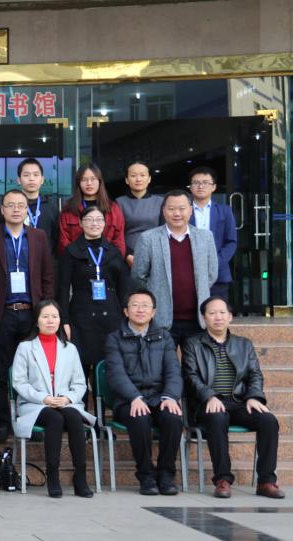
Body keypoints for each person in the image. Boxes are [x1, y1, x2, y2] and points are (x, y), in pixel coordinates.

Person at [181, 297, 284, 499]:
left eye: (222, 313)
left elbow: (255, 374)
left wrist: (253, 397)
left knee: (269, 421)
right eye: (212, 313)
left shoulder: (244, 344)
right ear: (203, 318)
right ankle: (223, 479)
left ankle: (266, 481)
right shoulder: (192, 344)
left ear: (230, 317)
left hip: (238, 402)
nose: (218, 317)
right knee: (217, 418)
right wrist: (209, 396)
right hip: (207, 404)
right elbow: (190, 376)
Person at [0, 189, 55, 442]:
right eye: (10, 205)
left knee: (33, 371)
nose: (16, 209)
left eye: (21, 205)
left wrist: (46, 311)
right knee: (0, 372)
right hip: (1, 314)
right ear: (2, 210)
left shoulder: (39, 236)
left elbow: (47, 276)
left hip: (32, 314)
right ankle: (2, 421)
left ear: (26, 210)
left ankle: (31, 420)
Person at [10, 300, 96, 498]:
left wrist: (67, 398)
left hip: (65, 402)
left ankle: (80, 477)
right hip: (34, 404)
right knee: (55, 419)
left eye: (55, 316)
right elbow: (19, 382)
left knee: (73, 417)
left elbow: (80, 383)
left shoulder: (70, 349)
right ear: (37, 321)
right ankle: (53, 476)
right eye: (45, 316)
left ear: (60, 320)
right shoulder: (25, 347)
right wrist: (45, 398)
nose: (50, 321)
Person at [104, 289, 184, 496]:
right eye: (135, 305)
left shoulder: (165, 337)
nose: (140, 310)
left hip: (159, 397)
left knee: (173, 418)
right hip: (128, 400)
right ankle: (146, 475)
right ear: (126, 311)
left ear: (154, 312)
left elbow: (173, 371)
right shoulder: (114, 338)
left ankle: (166, 475)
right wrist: (134, 397)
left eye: (145, 305)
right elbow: (116, 374)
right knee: (139, 418)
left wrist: (170, 396)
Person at [132, 189, 218, 346]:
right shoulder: (148, 238)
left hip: (197, 319)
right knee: (161, 362)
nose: (177, 213)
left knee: (196, 362)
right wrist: (156, 292)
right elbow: (138, 276)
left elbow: (211, 274)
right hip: (161, 319)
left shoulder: (205, 237)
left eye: (182, 208)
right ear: (164, 211)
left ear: (191, 210)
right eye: (171, 209)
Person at [56, 205, 129, 381]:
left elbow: (123, 287)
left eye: (98, 220)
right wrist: (64, 320)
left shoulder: (113, 251)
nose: (94, 224)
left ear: (105, 223)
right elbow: (63, 288)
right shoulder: (71, 251)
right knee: (80, 366)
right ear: (81, 223)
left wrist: (126, 316)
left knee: (109, 366)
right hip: (81, 316)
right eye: (89, 220)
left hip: (111, 315)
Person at [188, 166, 237, 298]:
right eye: (196, 183)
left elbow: (231, 242)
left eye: (205, 182)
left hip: (219, 274)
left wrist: (216, 262)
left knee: (217, 309)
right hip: (188, 273)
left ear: (213, 187)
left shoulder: (225, 211)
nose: (200, 186)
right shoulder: (183, 211)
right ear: (190, 187)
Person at [57, 163, 126, 256]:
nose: (89, 183)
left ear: (99, 181)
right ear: (78, 183)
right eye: (84, 180)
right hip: (77, 261)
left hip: (107, 262)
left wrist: (109, 260)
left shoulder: (113, 209)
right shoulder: (69, 209)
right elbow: (63, 242)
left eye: (93, 179)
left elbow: (119, 242)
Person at [115, 161, 164, 267]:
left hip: (156, 255)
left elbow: (164, 232)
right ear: (127, 180)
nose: (138, 179)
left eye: (142, 175)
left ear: (149, 179)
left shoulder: (160, 202)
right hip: (127, 257)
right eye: (133, 175)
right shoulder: (119, 203)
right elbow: (117, 234)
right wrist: (127, 255)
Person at [16, 158, 59, 255]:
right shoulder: (11, 207)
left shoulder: (51, 208)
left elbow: (56, 240)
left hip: (44, 260)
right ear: (19, 180)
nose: (31, 179)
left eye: (36, 175)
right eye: (26, 175)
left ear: (42, 180)